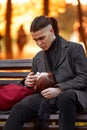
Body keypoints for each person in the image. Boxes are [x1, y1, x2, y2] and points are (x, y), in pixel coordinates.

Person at [3, 15, 87, 130]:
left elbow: (83, 78)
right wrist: (28, 82)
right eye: (35, 40)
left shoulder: (75, 49)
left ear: (52, 31)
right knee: (20, 107)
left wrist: (59, 89)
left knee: (65, 97)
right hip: (45, 97)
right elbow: (35, 86)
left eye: (41, 38)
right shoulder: (37, 57)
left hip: (70, 95)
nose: (39, 43)